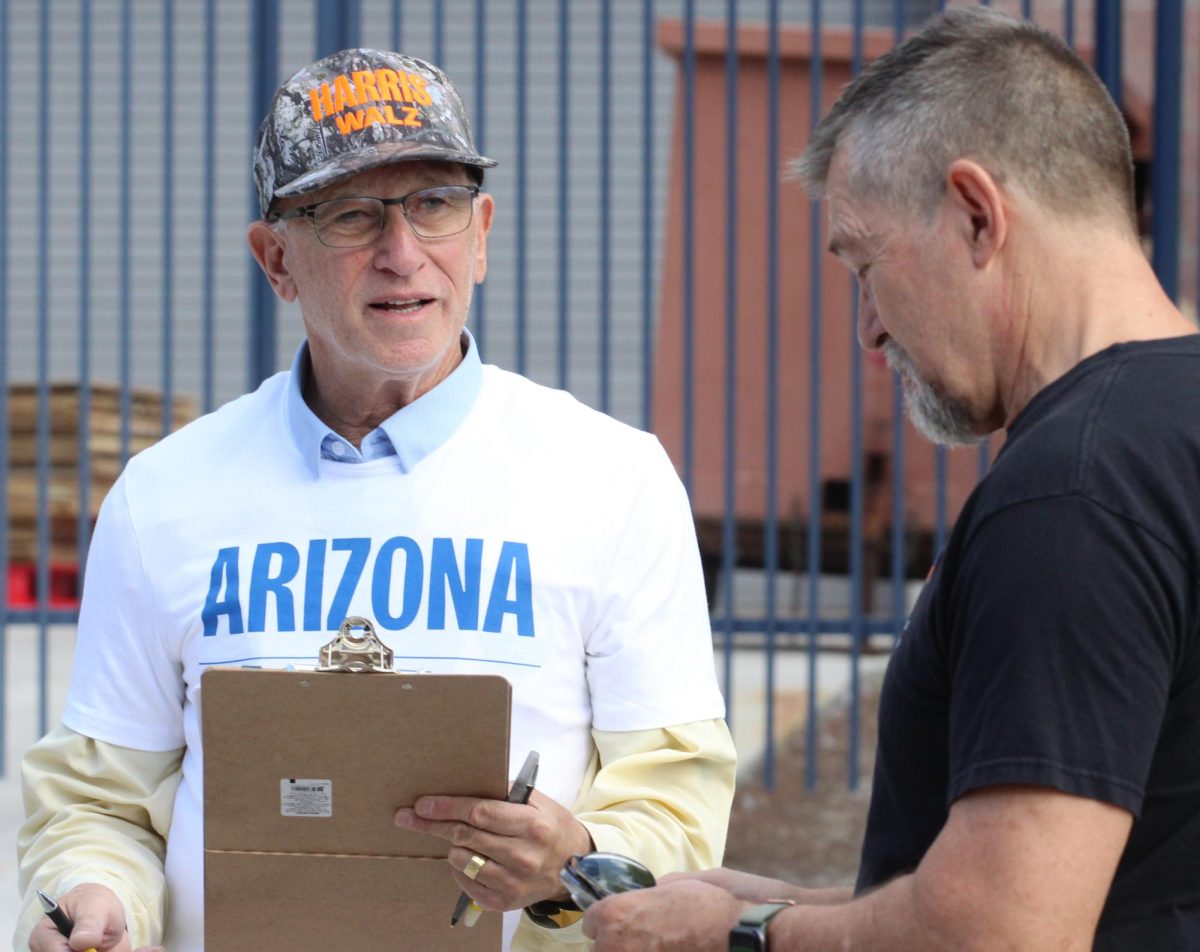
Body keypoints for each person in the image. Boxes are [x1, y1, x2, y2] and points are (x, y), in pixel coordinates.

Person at [16, 48, 736, 952]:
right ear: (275, 257)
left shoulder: (612, 479)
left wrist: (579, 859)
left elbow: (676, 799)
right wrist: (95, 900)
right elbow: (100, 802)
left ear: (481, 233)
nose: (403, 255)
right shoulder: (165, 497)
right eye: (352, 216)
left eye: (433, 204)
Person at [582, 6, 1200, 951]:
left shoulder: (1070, 493)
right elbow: (1128, 863)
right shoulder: (1165, 437)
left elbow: (1004, 930)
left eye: (867, 263)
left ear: (976, 214)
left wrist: (745, 937)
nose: (868, 327)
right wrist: (785, 901)